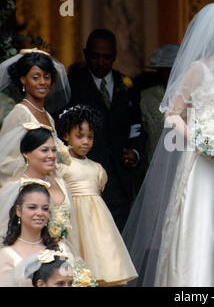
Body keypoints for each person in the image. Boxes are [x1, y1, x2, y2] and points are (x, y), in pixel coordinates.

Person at [122, 3, 214, 287]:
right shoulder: (197, 69)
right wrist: (202, 140)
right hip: (201, 162)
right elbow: (170, 115)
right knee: (200, 224)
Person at [67, 29, 145, 232]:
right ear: (85, 54)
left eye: (107, 57)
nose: (101, 62)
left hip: (119, 175)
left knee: (119, 234)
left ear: (115, 55)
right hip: (85, 173)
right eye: (95, 56)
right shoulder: (73, 84)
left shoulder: (126, 84)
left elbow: (136, 125)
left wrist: (134, 152)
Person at [56, 105, 138, 286]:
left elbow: (97, 193)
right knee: (79, 255)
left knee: (102, 255)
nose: (85, 141)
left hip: (97, 222)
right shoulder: (61, 166)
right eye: (79, 136)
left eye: (90, 137)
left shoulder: (97, 168)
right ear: (66, 135)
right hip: (74, 219)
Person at [0, 127, 80, 259]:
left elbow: (74, 232)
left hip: (65, 256)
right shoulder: (15, 189)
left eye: (54, 150)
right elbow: (4, 233)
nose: (51, 155)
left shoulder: (61, 184)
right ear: (26, 154)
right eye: (44, 150)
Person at [0, 49, 70, 188]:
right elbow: (5, 162)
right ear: (23, 80)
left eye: (46, 76)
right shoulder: (20, 114)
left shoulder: (48, 117)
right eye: (36, 77)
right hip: (31, 191)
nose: (42, 82)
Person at [0, 183, 73, 286]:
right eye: (32, 207)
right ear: (19, 211)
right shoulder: (7, 256)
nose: (40, 213)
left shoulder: (61, 249)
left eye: (45, 208)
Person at [136, 44, 179, 171]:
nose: (171, 74)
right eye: (166, 70)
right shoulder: (146, 97)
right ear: (159, 71)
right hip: (153, 166)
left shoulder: (195, 96)